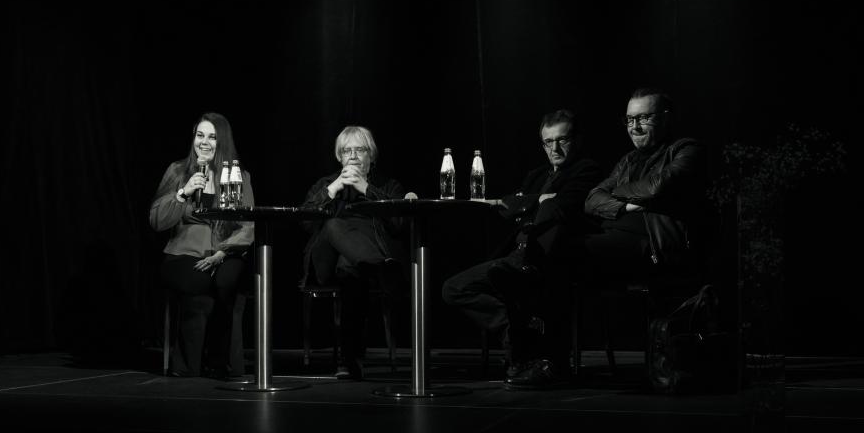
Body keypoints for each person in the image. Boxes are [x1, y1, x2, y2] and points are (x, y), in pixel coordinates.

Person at [442, 109, 601, 389]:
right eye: (548, 142)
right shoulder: (537, 175)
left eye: (562, 140)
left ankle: (527, 350)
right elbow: (508, 207)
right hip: (516, 255)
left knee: (528, 283)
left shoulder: (586, 170)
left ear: (576, 140)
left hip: (550, 256)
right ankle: (515, 331)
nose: (555, 148)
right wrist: (538, 199)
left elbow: (563, 205)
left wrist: (529, 203)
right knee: (454, 288)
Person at [580, 86, 707, 319]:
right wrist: (626, 206)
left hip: (657, 247)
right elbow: (591, 199)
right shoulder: (628, 161)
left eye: (643, 118)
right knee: (560, 245)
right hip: (617, 238)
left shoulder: (686, 150)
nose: (634, 127)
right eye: (630, 119)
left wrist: (615, 192)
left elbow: (656, 187)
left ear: (666, 118)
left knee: (572, 252)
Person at [149, 112, 255, 379]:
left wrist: (221, 253)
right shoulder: (178, 171)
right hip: (183, 253)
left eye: (212, 137)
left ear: (223, 141)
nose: (204, 142)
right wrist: (182, 193)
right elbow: (157, 221)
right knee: (200, 284)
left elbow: (247, 225)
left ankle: (222, 364)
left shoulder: (238, 176)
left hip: (225, 250)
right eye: (200, 135)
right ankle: (190, 367)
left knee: (227, 282)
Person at [300, 125, 406, 380]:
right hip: (324, 262)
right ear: (339, 157)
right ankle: (379, 266)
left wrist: (366, 188)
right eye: (347, 151)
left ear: (372, 155)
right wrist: (333, 188)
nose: (354, 156)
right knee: (334, 225)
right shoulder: (325, 183)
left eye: (360, 150)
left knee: (349, 267)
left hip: (358, 267)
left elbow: (399, 224)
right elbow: (305, 222)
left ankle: (348, 361)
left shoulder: (388, 186)